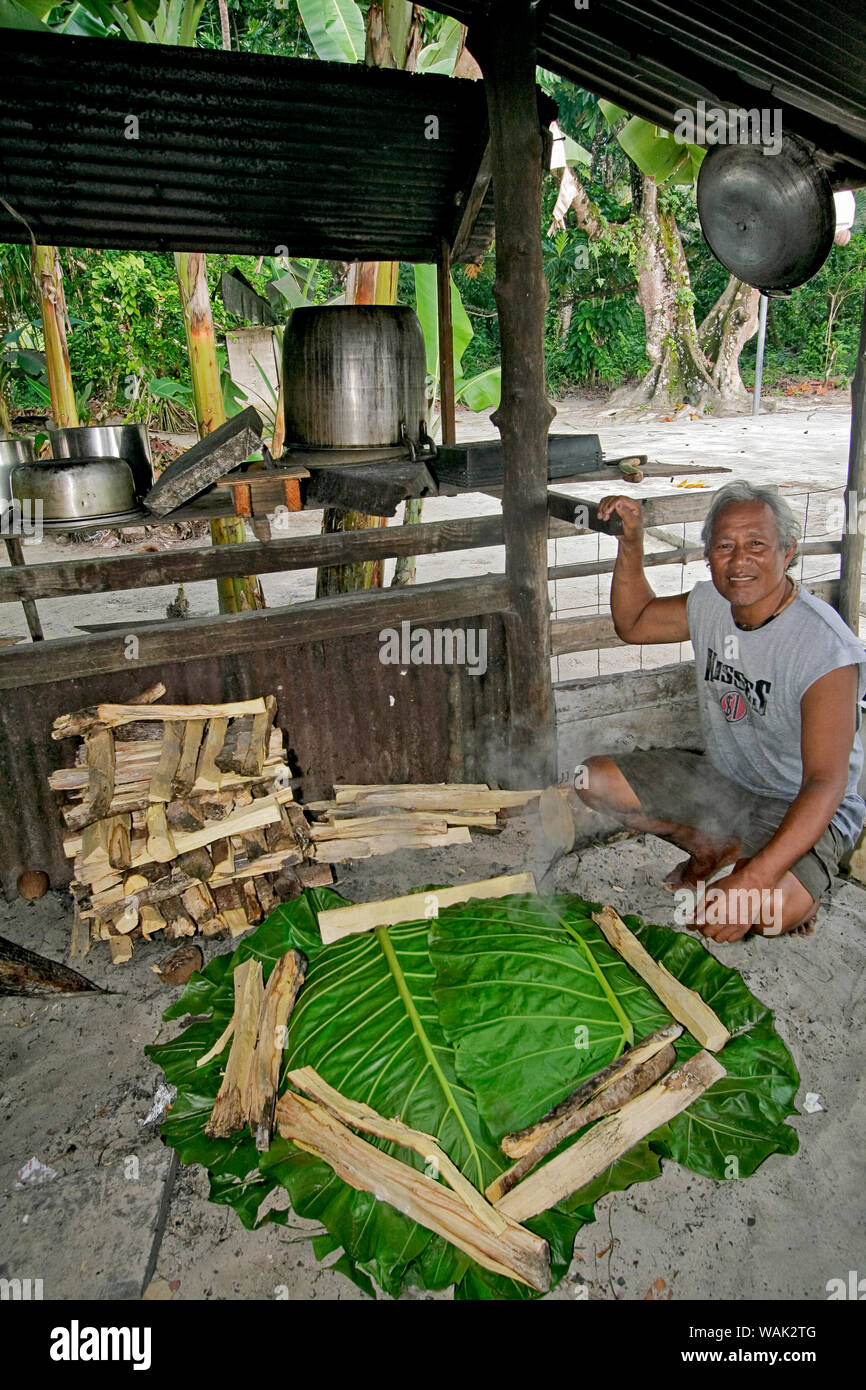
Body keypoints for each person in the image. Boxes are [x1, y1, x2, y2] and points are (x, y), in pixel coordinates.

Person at [575, 481, 866, 942]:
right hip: (726, 782)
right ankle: (713, 847)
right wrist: (631, 543)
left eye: (756, 545)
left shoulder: (824, 649)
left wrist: (752, 882)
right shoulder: (712, 602)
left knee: (763, 914)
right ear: (708, 554)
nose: (739, 560)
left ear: (787, 553)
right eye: (725, 546)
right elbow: (633, 623)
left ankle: (787, 880)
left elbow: (825, 783)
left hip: (803, 804)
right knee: (590, 780)